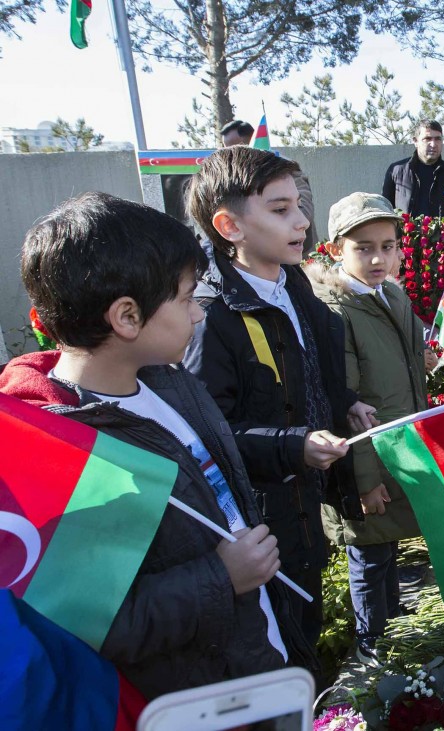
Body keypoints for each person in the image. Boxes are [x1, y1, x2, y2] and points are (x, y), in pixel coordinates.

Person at [0, 192, 316, 700]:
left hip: (257, 653)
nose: (197, 315)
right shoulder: (64, 452)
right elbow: (98, 620)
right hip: (196, 698)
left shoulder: (172, 383)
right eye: (188, 297)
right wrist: (220, 577)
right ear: (126, 317)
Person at [183, 146, 375, 647]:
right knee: (279, 640)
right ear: (230, 227)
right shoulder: (211, 318)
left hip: (305, 504)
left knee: (306, 630)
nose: (302, 221)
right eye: (280, 209)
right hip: (262, 524)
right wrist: (294, 445)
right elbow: (209, 436)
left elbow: (312, 369)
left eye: (300, 205)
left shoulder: (293, 283)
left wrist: (344, 402)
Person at [303, 192, 426, 666]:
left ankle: (391, 616)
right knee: (369, 555)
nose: (379, 258)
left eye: (388, 246)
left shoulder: (390, 294)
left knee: (386, 545)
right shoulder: (337, 312)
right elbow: (347, 408)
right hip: (366, 459)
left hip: (396, 446)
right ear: (336, 250)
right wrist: (365, 482)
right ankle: (372, 644)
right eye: (363, 248)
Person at [221, 118, 318, 254]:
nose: (231, 155)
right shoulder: (231, 177)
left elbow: (304, 211)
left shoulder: (286, 169)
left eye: (235, 148)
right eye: (226, 149)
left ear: (251, 140)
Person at [382, 119, 444, 230]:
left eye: (438, 139)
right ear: (415, 141)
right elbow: (385, 212)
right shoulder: (396, 172)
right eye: (427, 139)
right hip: (406, 245)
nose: (433, 144)